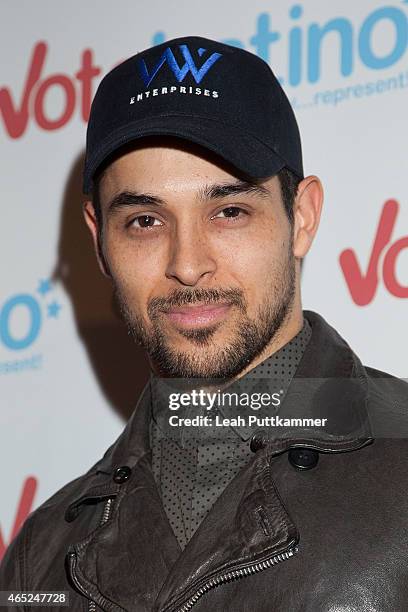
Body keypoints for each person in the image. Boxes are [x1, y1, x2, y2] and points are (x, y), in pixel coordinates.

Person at [1, 35, 408, 612]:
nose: (187, 265)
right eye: (144, 220)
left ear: (303, 217)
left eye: (230, 211)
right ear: (99, 241)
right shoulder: (40, 557)